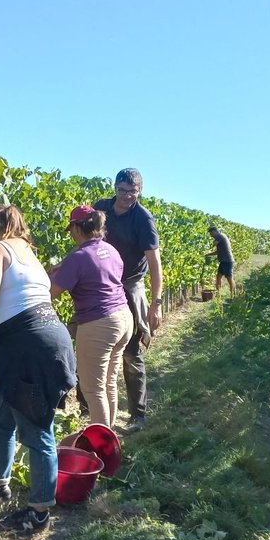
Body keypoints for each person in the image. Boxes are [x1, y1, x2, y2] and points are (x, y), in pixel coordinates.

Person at [0, 204, 76, 533]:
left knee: (37, 431)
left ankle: (39, 512)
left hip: (28, 350)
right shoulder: (28, 254)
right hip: (46, 341)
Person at [50, 206, 133, 428]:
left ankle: (102, 451)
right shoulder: (111, 250)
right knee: (108, 383)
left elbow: (51, 293)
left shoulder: (77, 258)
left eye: (71, 230)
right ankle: (110, 438)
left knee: (93, 390)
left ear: (78, 228)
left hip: (99, 324)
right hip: (124, 318)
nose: (71, 235)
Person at [93, 168, 162, 432]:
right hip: (102, 282)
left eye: (131, 192)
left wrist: (155, 303)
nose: (125, 197)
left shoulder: (143, 219)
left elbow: (155, 264)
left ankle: (138, 414)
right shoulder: (101, 209)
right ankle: (93, 407)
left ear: (139, 191)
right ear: (115, 188)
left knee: (131, 352)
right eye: (121, 190)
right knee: (93, 343)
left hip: (130, 284)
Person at [208, 225, 235, 299]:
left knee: (229, 278)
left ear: (215, 231)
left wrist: (209, 248)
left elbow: (214, 244)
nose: (211, 236)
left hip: (227, 261)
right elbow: (218, 252)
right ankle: (218, 294)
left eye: (211, 233)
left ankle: (233, 295)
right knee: (218, 277)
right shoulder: (221, 236)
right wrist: (207, 254)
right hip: (223, 261)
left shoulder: (219, 236)